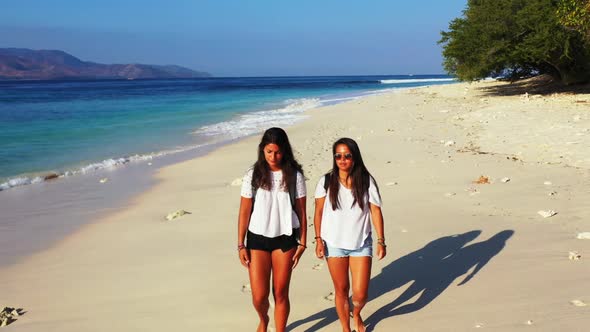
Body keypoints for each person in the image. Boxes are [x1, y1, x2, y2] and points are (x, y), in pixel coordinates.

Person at [237, 127, 307, 332]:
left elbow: (302, 211)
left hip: (285, 239)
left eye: (277, 152)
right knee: (259, 296)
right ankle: (263, 319)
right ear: (262, 150)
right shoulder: (253, 174)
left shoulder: (294, 175)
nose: (273, 156)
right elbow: (244, 211)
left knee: (280, 292)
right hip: (257, 238)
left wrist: (302, 242)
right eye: (269, 152)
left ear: (284, 150)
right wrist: (241, 244)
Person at [313, 137, 386, 332]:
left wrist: (381, 240)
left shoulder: (366, 180)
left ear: (355, 157)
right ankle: (346, 328)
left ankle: (357, 312)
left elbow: (375, 211)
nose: (342, 160)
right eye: (338, 156)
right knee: (341, 291)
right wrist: (318, 239)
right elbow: (318, 212)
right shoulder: (326, 181)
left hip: (361, 242)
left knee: (360, 294)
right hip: (333, 243)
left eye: (347, 156)